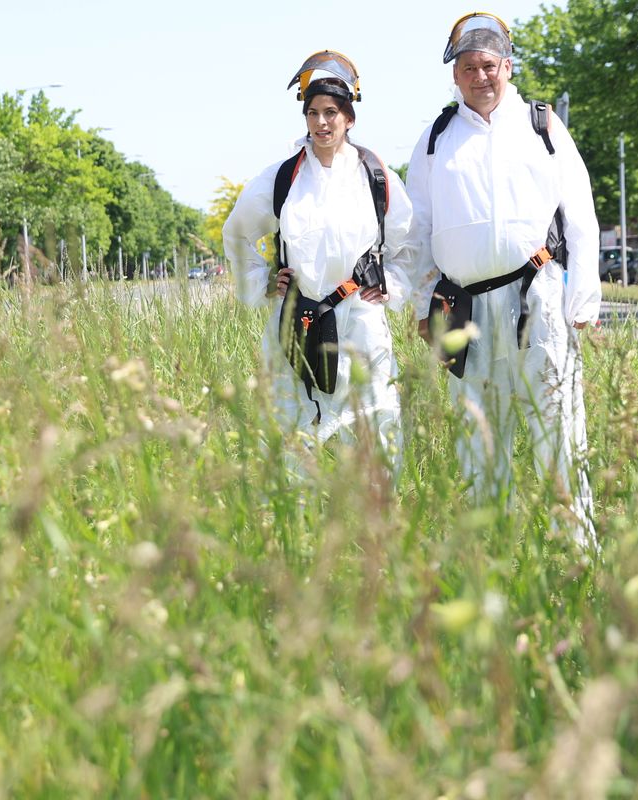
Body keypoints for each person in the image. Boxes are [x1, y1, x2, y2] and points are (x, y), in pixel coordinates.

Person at [405, 13, 600, 543]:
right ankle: (486, 553)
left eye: (489, 65)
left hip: (538, 294)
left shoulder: (542, 125)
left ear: (507, 66)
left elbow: (580, 213)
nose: (480, 76)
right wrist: (424, 306)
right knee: (477, 429)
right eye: (468, 67)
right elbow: (416, 229)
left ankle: (577, 548)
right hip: (464, 306)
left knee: (558, 424)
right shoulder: (436, 139)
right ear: (455, 75)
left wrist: (582, 300)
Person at [223, 51, 413, 471]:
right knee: (293, 435)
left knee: (376, 431)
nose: (322, 122)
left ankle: (375, 529)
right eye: (313, 113)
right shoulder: (282, 178)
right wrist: (261, 282)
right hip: (297, 318)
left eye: (331, 112)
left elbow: (409, 242)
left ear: (349, 118)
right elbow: (236, 234)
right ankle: (301, 529)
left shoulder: (376, 176)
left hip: (361, 322)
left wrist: (392, 285)